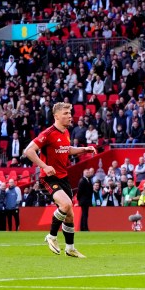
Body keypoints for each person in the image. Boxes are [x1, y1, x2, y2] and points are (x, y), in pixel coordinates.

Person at [23, 102, 96, 257]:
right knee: (66, 204)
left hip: (63, 177)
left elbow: (66, 149)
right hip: (49, 178)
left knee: (69, 214)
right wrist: (44, 166)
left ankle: (70, 248)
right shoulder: (48, 133)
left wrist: (83, 150)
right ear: (56, 116)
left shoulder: (66, 132)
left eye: (70, 113)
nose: (70, 116)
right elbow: (28, 151)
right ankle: (51, 236)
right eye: (65, 113)